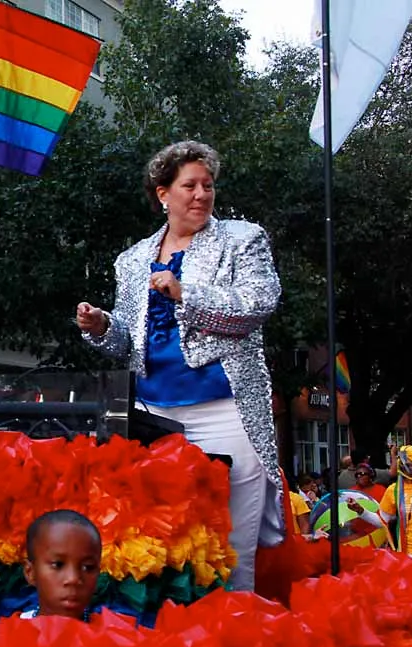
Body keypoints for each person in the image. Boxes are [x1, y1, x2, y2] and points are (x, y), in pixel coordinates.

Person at [76, 141, 282, 591]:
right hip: (154, 417)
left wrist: (185, 292)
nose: (202, 195)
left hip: (226, 411)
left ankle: (236, 628)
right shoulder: (132, 259)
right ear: (163, 194)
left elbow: (257, 304)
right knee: (161, 542)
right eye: (190, 186)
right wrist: (101, 325)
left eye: (208, 185)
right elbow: (127, 343)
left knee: (233, 548)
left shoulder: (242, 239)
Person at [349, 445, 412, 565]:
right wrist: (361, 511)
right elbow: (382, 521)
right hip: (407, 555)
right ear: (404, 465)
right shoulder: (394, 490)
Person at [20, 510, 101, 622]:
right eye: (58, 565)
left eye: (87, 567)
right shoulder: (8, 631)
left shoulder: (116, 631)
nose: (73, 579)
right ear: (30, 572)